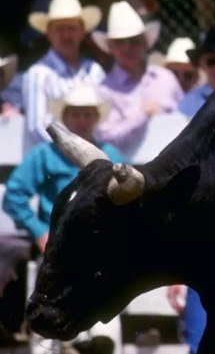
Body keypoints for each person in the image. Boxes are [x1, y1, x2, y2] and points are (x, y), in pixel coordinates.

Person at [3, 83, 125, 253]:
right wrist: (39, 232)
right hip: (58, 242)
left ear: (96, 118)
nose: (82, 121)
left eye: (87, 115)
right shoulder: (44, 154)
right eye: (75, 114)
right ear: (65, 118)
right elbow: (14, 196)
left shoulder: (112, 155)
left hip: (103, 241)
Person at [92, 2, 181, 154]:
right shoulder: (104, 90)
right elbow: (105, 137)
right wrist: (142, 115)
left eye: (134, 41)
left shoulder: (166, 78)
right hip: (128, 169)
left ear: (145, 44)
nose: (127, 47)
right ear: (110, 48)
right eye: (120, 42)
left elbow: (183, 119)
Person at [22, 0, 105, 148]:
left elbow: (101, 122)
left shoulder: (95, 71)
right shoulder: (38, 74)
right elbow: (37, 129)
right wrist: (74, 153)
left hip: (92, 160)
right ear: (48, 33)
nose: (66, 35)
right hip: (51, 164)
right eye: (60, 29)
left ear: (82, 32)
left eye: (72, 28)